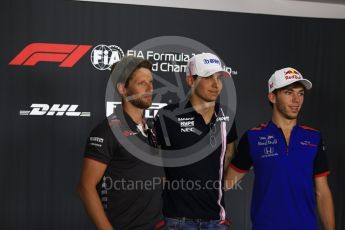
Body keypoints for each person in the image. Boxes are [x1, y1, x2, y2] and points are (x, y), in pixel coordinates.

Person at [225, 67, 335, 230]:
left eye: (301, 93)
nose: (296, 100)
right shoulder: (253, 137)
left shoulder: (314, 137)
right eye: (289, 92)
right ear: (272, 96)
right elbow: (226, 183)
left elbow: (322, 193)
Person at [78, 56, 165, 230]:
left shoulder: (154, 129)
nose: (150, 89)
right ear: (123, 89)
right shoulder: (107, 131)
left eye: (151, 82)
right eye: (142, 83)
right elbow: (85, 188)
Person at [154, 53, 237, 229]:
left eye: (219, 78)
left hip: (216, 220)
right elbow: (154, 161)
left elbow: (229, 152)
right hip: (178, 220)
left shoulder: (226, 115)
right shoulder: (167, 115)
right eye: (208, 78)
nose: (216, 85)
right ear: (191, 80)